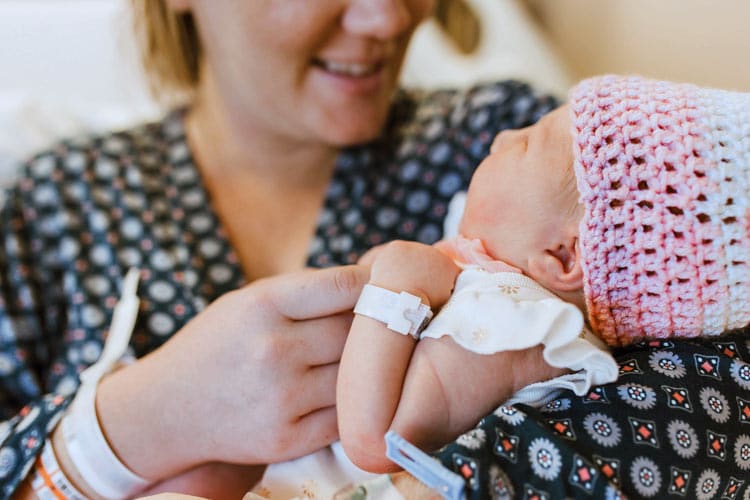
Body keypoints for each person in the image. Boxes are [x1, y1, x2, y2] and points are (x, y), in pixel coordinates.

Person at [1, 1, 562, 499]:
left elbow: (643, 422)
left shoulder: (519, 154)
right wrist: (139, 420)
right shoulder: (62, 205)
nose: (387, 16)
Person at [337, 74, 750, 484]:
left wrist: (395, 285)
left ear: (562, 258)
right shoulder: (486, 269)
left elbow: (377, 443)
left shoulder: (509, 329)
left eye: (525, 145)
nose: (501, 138)